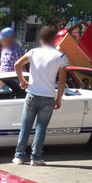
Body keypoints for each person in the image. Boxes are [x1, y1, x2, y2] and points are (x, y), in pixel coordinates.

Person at [12, 27, 68, 166]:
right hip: (48, 97)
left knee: (25, 126)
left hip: (31, 94)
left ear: (42, 39)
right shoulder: (60, 56)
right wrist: (59, 98)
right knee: (41, 128)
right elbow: (62, 81)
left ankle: (19, 156)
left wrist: (22, 81)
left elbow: (17, 64)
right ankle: (35, 158)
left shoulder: (33, 52)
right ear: (54, 39)